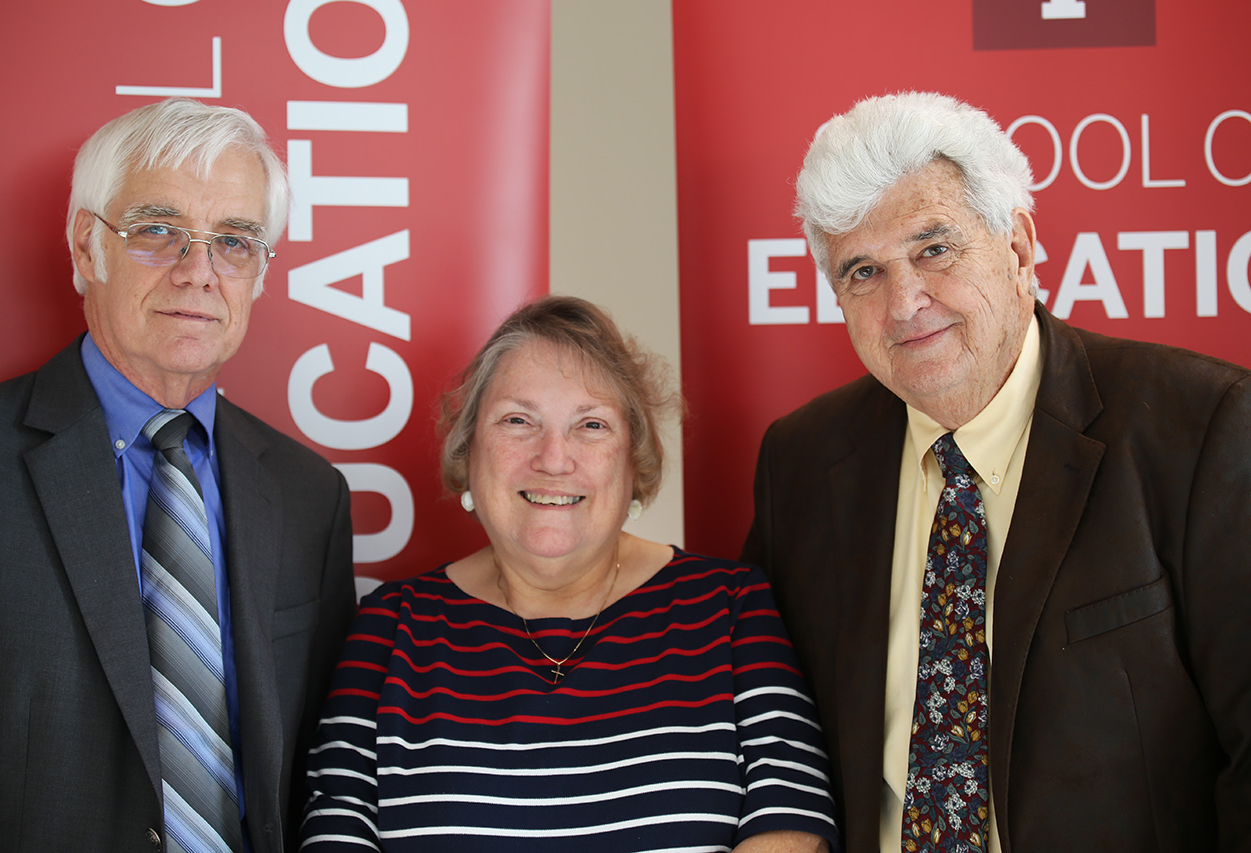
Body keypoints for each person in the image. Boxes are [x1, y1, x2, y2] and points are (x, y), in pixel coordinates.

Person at [742, 89, 1251, 852]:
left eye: (933, 249)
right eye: (862, 272)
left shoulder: (1200, 426)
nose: (905, 301)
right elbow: (765, 735)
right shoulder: (804, 463)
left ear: (1018, 247)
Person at [301, 295, 838, 851]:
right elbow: (336, 828)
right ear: (469, 452)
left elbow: (793, 819)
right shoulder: (391, 627)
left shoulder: (730, 607)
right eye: (518, 420)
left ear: (634, 461)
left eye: (591, 425)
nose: (554, 458)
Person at [0, 97, 356, 852]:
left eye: (235, 242)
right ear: (88, 249)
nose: (199, 273)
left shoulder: (311, 495)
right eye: (158, 232)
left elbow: (318, 765)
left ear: (260, 272)